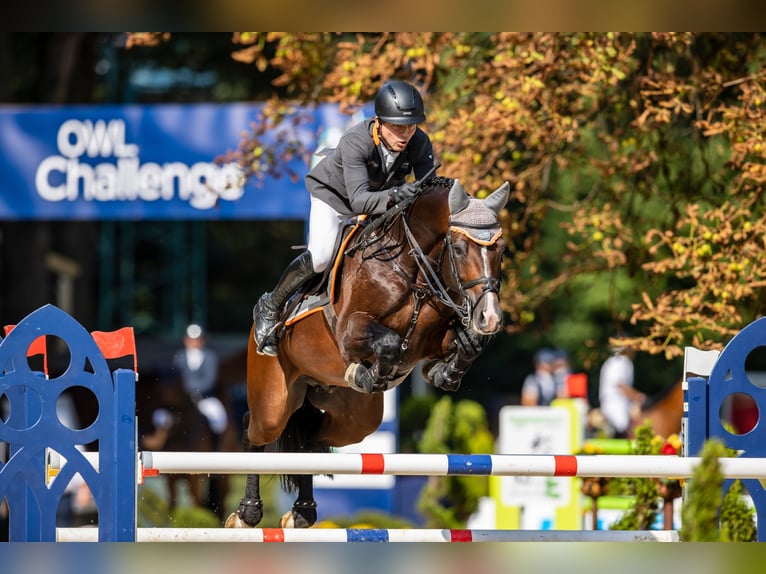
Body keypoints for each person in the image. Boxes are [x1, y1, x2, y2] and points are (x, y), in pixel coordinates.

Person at [253, 78, 436, 356]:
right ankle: (271, 305)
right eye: (397, 126)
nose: (405, 133)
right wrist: (396, 195)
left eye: (411, 125)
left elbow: (428, 191)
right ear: (378, 122)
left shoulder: (419, 142)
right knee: (322, 256)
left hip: (383, 200)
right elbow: (359, 200)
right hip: (335, 199)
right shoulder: (355, 141)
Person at [172, 324, 228, 439]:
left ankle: (215, 445)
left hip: (205, 398)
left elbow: (210, 380)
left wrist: (194, 391)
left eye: (198, 339)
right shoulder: (179, 356)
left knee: (218, 419)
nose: (195, 342)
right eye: (192, 339)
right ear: (186, 340)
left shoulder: (210, 356)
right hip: (183, 397)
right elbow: (176, 378)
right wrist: (187, 392)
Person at [597, 340, 646, 438]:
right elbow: (621, 385)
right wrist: (638, 397)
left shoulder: (611, 361)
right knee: (628, 429)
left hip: (611, 403)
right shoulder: (622, 361)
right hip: (616, 404)